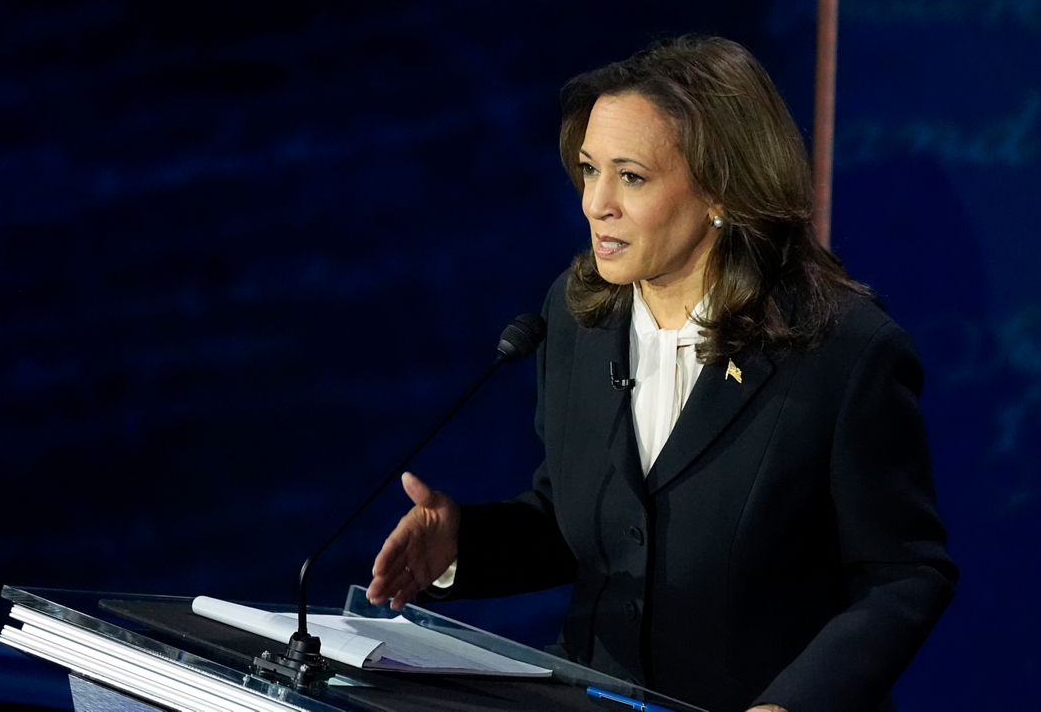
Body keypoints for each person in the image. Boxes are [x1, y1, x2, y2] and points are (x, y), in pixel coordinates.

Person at [366, 35, 957, 712]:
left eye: (632, 176)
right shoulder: (577, 311)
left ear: (722, 190)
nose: (596, 203)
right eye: (589, 170)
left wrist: (790, 705)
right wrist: (458, 543)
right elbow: (578, 520)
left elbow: (904, 574)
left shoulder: (839, 349)